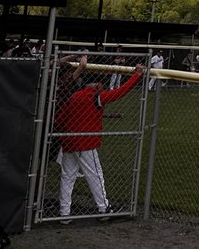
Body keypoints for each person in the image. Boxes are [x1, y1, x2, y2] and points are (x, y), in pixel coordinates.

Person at [55, 62, 144, 222]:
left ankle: (64, 213)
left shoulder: (74, 96)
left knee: (67, 177)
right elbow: (120, 92)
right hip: (85, 143)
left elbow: (61, 119)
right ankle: (103, 209)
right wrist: (137, 76)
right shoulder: (96, 97)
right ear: (97, 84)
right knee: (95, 175)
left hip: (68, 142)